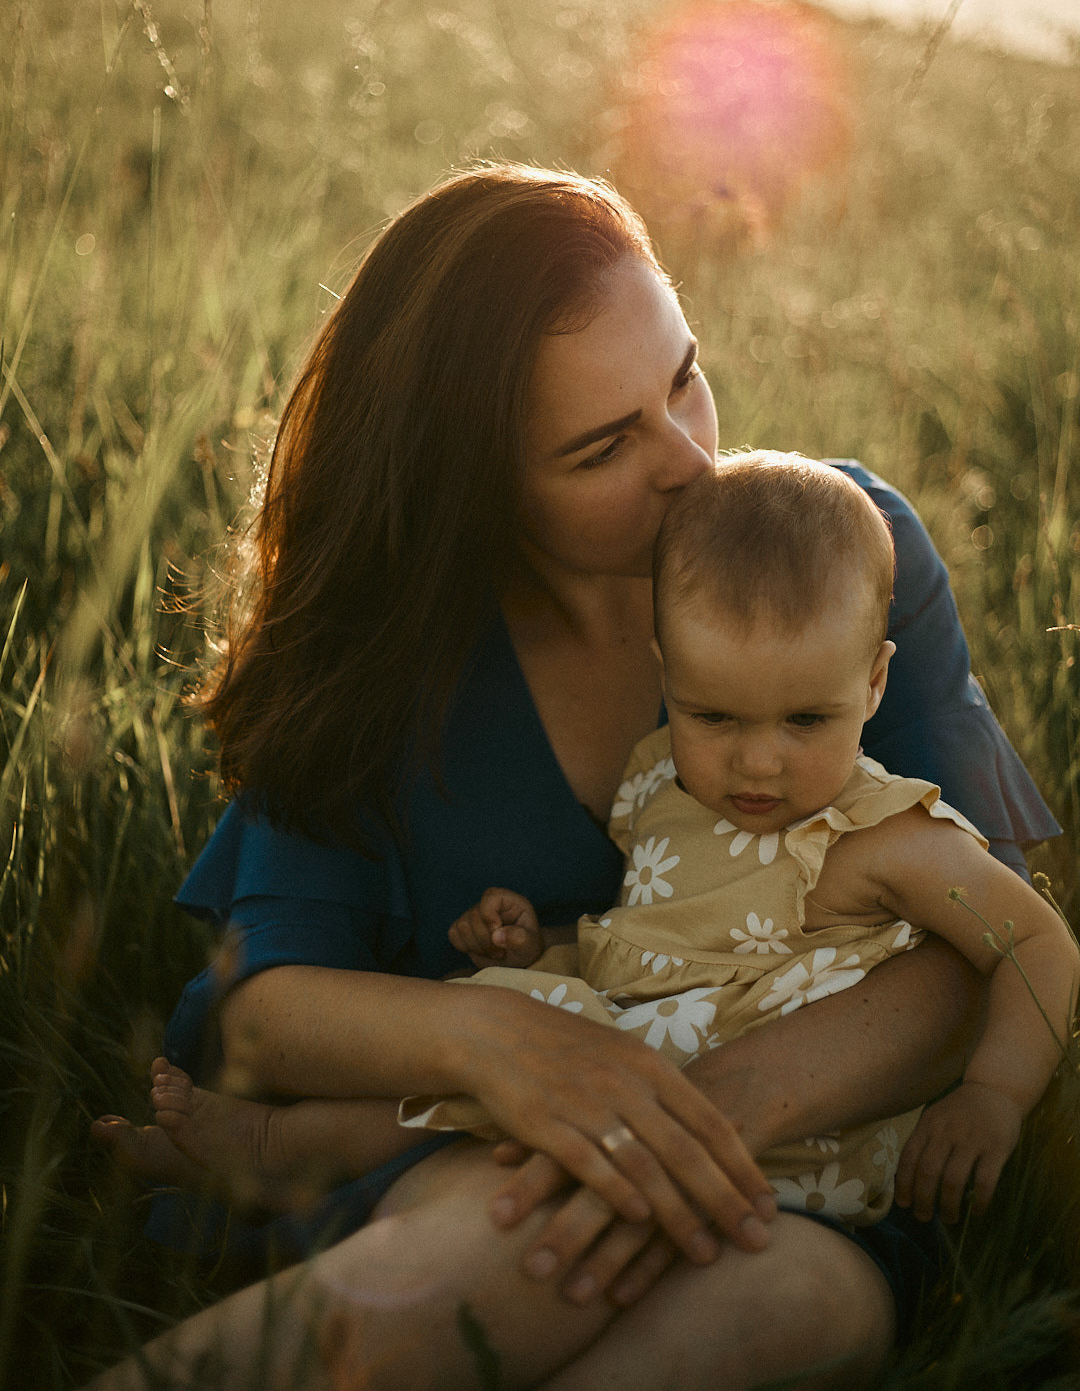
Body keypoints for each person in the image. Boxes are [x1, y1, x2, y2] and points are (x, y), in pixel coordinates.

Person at [89, 164, 1061, 1391]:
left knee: (758, 1326)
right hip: (501, 1156)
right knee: (436, 1306)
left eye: (685, 379)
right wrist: (496, 1043)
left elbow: (986, 944)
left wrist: (692, 1112)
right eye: (605, 446)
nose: (691, 463)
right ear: (473, 488)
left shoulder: (834, 554)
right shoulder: (397, 652)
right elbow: (264, 1005)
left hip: (823, 1172)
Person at [398, 453, 1076, 1233]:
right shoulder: (660, 789)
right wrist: (537, 943)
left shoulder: (880, 832)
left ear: (874, 684)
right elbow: (651, 942)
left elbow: (1035, 939)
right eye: (713, 717)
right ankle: (301, 1147)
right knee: (486, 1017)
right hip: (628, 1082)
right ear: (667, 677)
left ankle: (295, 1146)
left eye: (806, 721)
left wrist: (996, 1093)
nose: (757, 763)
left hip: (790, 1141)